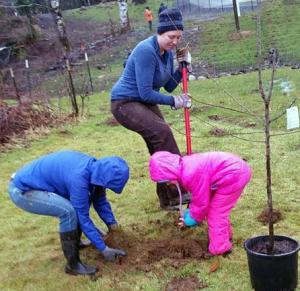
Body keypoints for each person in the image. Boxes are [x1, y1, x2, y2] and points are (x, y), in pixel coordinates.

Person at [110, 8, 192, 211]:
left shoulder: (166, 53)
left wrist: (184, 68)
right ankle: (177, 191)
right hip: (125, 103)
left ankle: (168, 197)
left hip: (141, 101)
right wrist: (174, 102)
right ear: (160, 32)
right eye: (171, 36)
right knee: (162, 133)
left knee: (159, 141)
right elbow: (146, 93)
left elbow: (169, 86)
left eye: (178, 37)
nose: (175, 41)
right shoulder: (146, 50)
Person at [8, 150, 129, 276]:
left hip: (35, 182)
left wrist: (112, 224)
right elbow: (83, 217)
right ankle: (73, 265)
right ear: (103, 177)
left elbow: (100, 201)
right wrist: (104, 249)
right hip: (23, 190)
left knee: (75, 208)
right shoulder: (79, 179)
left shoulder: (96, 170)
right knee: (68, 212)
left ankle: (76, 243)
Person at [149, 151, 252, 255]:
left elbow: (201, 202)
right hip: (231, 171)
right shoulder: (185, 166)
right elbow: (200, 196)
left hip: (234, 176)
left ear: (169, 171)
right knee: (216, 209)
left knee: (216, 212)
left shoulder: (189, 175)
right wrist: (193, 213)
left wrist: (191, 219)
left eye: (166, 180)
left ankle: (220, 248)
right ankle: (224, 236)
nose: (168, 184)